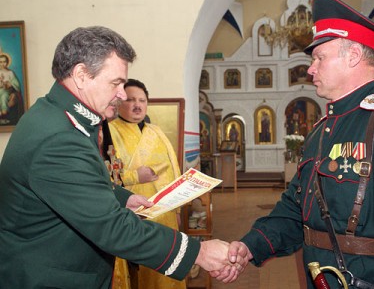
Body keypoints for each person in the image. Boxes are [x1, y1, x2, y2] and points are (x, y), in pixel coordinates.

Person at [222, 0, 374, 288]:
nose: (310, 68)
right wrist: (252, 244)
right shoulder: (321, 130)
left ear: (353, 56)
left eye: (319, 57)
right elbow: (296, 208)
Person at [0, 26, 244, 288]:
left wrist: (124, 198)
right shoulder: (58, 138)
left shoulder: (53, 114)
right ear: (82, 74)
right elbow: (113, 229)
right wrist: (200, 253)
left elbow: (79, 184)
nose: (122, 94)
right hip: (49, 278)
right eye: (116, 83)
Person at [108, 78, 186, 289]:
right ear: (120, 101)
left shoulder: (156, 131)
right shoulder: (110, 131)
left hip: (166, 213)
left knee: (168, 270)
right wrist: (134, 176)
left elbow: (174, 167)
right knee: (142, 273)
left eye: (142, 100)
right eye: (132, 99)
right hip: (135, 214)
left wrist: (178, 211)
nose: (137, 105)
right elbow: (105, 175)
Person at [0, 53, 23, 124]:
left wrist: (9, 84)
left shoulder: (10, 73)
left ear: (7, 62)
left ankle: (3, 112)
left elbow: (17, 85)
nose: (3, 64)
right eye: (1, 62)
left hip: (7, 90)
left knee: (4, 96)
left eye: (4, 62)